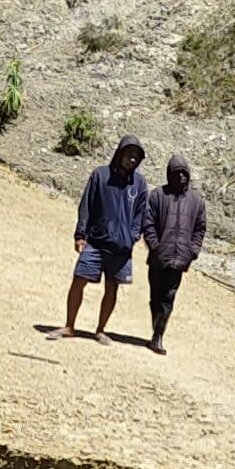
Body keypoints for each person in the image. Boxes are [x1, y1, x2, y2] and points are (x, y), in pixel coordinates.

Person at [59, 136, 154, 341]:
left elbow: (141, 213)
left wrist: (132, 236)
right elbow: (86, 205)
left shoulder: (139, 183)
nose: (131, 160)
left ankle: (101, 330)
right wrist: (80, 235)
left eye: (136, 157)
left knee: (112, 288)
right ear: (119, 154)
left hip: (121, 248)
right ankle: (69, 326)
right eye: (128, 155)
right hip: (95, 242)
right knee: (78, 281)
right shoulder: (100, 175)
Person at [139, 155, 207, 350]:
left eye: (184, 173)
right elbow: (148, 223)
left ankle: (158, 336)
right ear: (169, 175)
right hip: (158, 258)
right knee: (155, 297)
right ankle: (155, 329)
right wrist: (156, 246)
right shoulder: (158, 196)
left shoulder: (196, 201)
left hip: (179, 260)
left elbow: (200, 229)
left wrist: (192, 251)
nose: (181, 178)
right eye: (177, 174)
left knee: (169, 297)